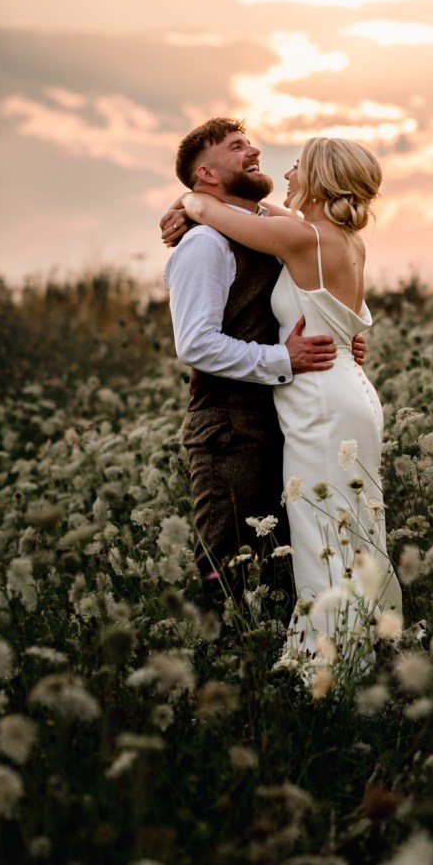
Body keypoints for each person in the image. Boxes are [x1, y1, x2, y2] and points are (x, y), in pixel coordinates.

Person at [163, 136, 402, 663]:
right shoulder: (335, 237)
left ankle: (332, 673)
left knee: (324, 535)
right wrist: (192, 204)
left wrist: (192, 203)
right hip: (344, 387)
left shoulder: (299, 237)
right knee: (348, 528)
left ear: (318, 179)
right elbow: (249, 213)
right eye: (237, 146)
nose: (284, 171)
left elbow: (223, 208)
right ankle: (356, 652)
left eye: (297, 167)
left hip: (320, 397)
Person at [161, 117, 350, 614]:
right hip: (226, 429)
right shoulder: (205, 244)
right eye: (236, 146)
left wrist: (338, 342)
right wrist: (284, 358)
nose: (253, 152)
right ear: (206, 173)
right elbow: (196, 344)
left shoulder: (264, 231)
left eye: (250, 143)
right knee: (230, 573)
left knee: (279, 573)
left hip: (281, 423)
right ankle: (222, 683)